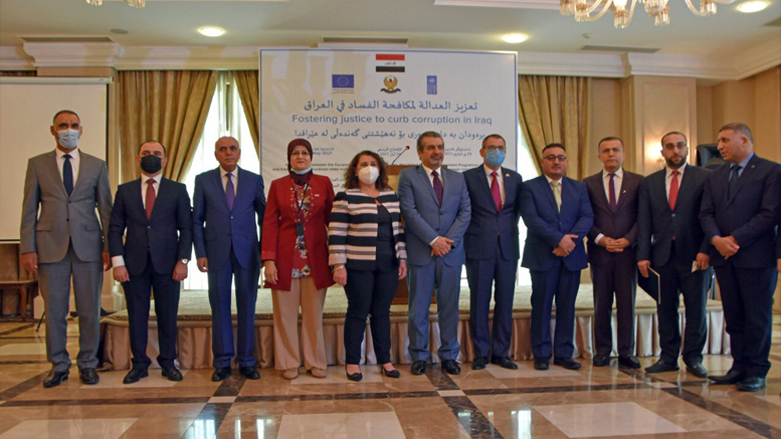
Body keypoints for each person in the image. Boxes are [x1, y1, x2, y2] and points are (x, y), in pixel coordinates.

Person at [20, 110, 113, 387]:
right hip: (49, 247)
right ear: (53, 130)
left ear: (81, 130)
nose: (68, 130)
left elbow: (106, 209)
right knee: (56, 310)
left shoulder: (97, 165)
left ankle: (87, 364)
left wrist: (109, 246)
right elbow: (28, 209)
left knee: (89, 310)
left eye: (73, 125)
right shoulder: (37, 164)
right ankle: (58, 365)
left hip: (88, 247)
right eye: (63, 125)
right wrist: (27, 247)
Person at [700, 123, 781, 392]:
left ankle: (756, 370)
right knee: (734, 315)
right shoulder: (715, 175)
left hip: (756, 257)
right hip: (725, 258)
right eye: (719, 140)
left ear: (744, 140)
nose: (719, 145)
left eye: (725, 140)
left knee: (757, 316)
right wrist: (716, 240)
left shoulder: (770, 171)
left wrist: (734, 240)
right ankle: (738, 366)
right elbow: (706, 214)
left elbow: (770, 214)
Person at [109, 140, 192, 384]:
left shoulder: (177, 190)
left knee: (168, 315)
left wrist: (183, 260)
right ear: (138, 158)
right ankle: (140, 365)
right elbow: (115, 229)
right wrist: (118, 262)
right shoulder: (124, 190)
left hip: (168, 265)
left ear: (165, 160)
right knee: (137, 315)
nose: (151, 157)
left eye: (157, 153)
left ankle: (168, 362)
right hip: (133, 265)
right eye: (146, 153)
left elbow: (186, 228)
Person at [637, 131, 712, 379]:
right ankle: (668, 358)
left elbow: (710, 217)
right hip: (662, 257)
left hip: (695, 258)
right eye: (670, 147)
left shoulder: (705, 178)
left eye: (680, 146)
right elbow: (645, 222)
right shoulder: (650, 182)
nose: (675, 151)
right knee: (665, 310)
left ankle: (693, 358)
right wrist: (643, 255)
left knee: (696, 311)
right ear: (663, 152)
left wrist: (705, 250)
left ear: (687, 149)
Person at [329, 150, 407, 381]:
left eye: (373, 163)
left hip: (388, 264)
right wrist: (338, 265)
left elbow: (398, 230)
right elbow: (336, 233)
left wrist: (402, 258)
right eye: (364, 164)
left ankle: (385, 359)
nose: (369, 167)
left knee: (382, 313)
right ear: (355, 169)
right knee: (358, 312)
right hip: (357, 265)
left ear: (380, 168)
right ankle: (353, 362)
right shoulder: (345, 196)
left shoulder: (390, 195)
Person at [398, 131, 471, 376]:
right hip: (421, 252)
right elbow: (408, 211)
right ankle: (419, 355)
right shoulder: (408, 176)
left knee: (449, 307)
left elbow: (465, 213)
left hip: (450, 253)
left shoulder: (457, 178)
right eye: (430, 148)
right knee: (418, 307)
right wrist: (433, 239)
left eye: (439, 147)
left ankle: (449, 355)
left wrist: (446, 242)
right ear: (420, 152)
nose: (436, 151)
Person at [193, 136, 266, 382]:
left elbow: (263, 219)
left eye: (232, 148)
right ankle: (222, 362)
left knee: (248, 307)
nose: (228, 153)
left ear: (240, 152)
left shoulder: (254, 180)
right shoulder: (203, 180)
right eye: (222, 149)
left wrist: (265, 254)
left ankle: (246, 361)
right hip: (216, 253)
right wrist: (200, 253)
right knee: (220, 308)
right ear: (216, 154)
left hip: (248, 253)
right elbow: (197, 220)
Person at [262, 138, 334, 380]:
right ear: (289, 158)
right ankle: (289, 363)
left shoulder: (323, 183)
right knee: (285, 315)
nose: (300, 156)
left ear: (311, 157)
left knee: (314, 315)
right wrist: (268, 260)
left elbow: (331, 222)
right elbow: (270, 224)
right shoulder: (278, 185)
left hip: (315, 259)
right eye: (295, 153)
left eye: (304, 153)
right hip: (284, 260)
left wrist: (337, 256)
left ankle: (315, 362)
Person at [519, 143, 593, 371]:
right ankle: (541, 354)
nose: (556, 161)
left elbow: (587, 216)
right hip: (543, 254)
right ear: (543, 162)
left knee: (567, 306)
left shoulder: (578, 187)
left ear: (566, 161)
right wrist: (559, 240)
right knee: (541, 304)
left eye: (561, 157)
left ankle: (563, 353)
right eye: (551, 158)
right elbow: (531, 219)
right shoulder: (529, 187)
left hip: (571, 256)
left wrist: (570, 242)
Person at [463, 134, 523, 371]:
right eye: (491, 148)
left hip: (507, 247)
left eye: (500, 147)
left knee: (505, 301)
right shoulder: (468, 178)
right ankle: (480, 353)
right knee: (479, 300)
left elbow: (516, 211)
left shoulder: (515, 178)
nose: (496, 151)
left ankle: (501, 352)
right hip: (478, 246)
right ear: (482, 152)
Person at [584, 137, 643, 369]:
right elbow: (585, 217)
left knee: (627, 303)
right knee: (602, 303)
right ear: (599, 156)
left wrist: (628, 240)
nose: (611, 154)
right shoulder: (587, 184)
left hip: (628, 253)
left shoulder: (639, 182)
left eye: (615, 150)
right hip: (601, 254)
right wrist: (600, 239)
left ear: (623, 154)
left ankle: (627, 351)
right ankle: (603, 351)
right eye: (606, 151)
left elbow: (643, 217)